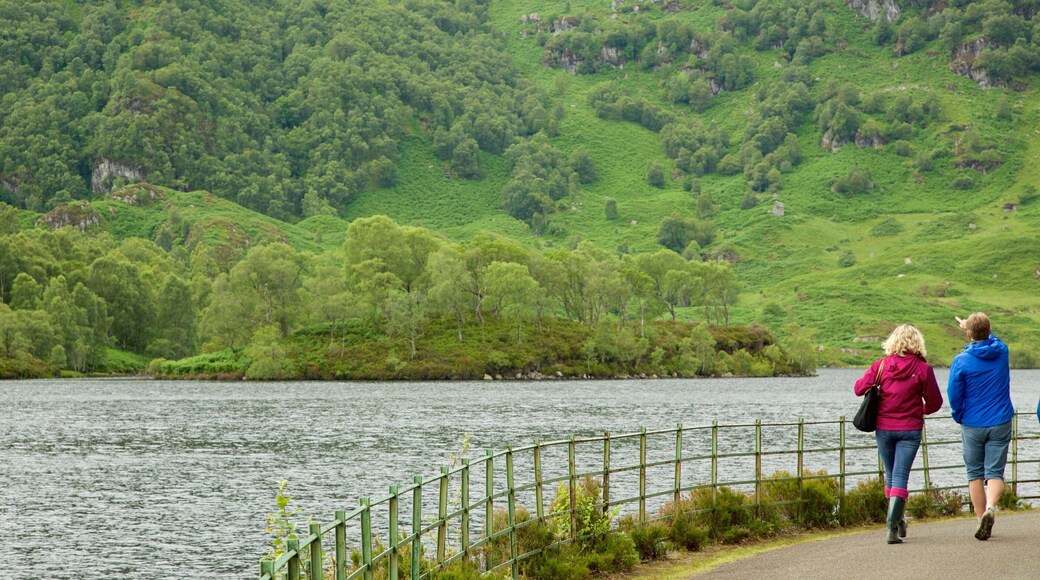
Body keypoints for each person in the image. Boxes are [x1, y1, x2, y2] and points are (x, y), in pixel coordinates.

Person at [854, 324, 943, 544]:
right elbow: (935, 403)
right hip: (910, 429)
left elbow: (858, 389)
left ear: (893, 342)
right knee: (900, 477)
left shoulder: (881, 366)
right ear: (917, 343)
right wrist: (918, 410)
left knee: (892, 475)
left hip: (884, 428)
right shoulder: (923, 369)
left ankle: (897, 521)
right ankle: (893, 525)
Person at [948, 312, 1014, 541]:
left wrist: (958, 415)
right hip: (1001, 420)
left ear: (968, 334)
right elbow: (991, 337)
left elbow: (954, 394)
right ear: (989, 330)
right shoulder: (1002, 351)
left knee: (974, 473)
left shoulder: (961, 361)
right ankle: (991, 508)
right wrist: (976, 326)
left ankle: (980, 519)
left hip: (972, 422)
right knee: (994, 472)